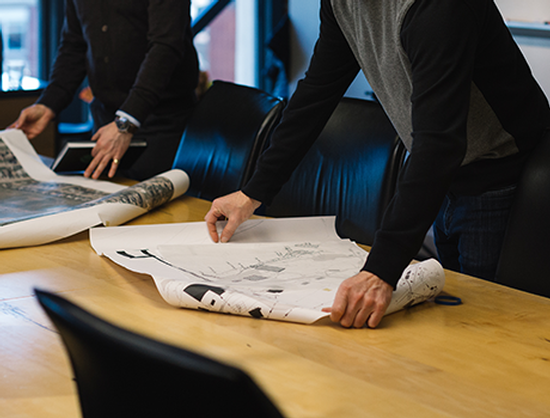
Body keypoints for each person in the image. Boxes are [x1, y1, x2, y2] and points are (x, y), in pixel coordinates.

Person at [205, 0, 550, 329]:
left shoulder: (439, 9)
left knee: (486, 322)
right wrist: (253, 192)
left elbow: (440, 145)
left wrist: (381, 271)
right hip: (447, 173)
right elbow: (316, 95)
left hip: (503, 173)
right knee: (455, 314)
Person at [10, 0, 199, 181]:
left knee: (162, 210)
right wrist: (48, 103)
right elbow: (74, 45)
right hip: (106, 124)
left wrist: (126, 122)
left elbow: (165, 47)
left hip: (163, 124)